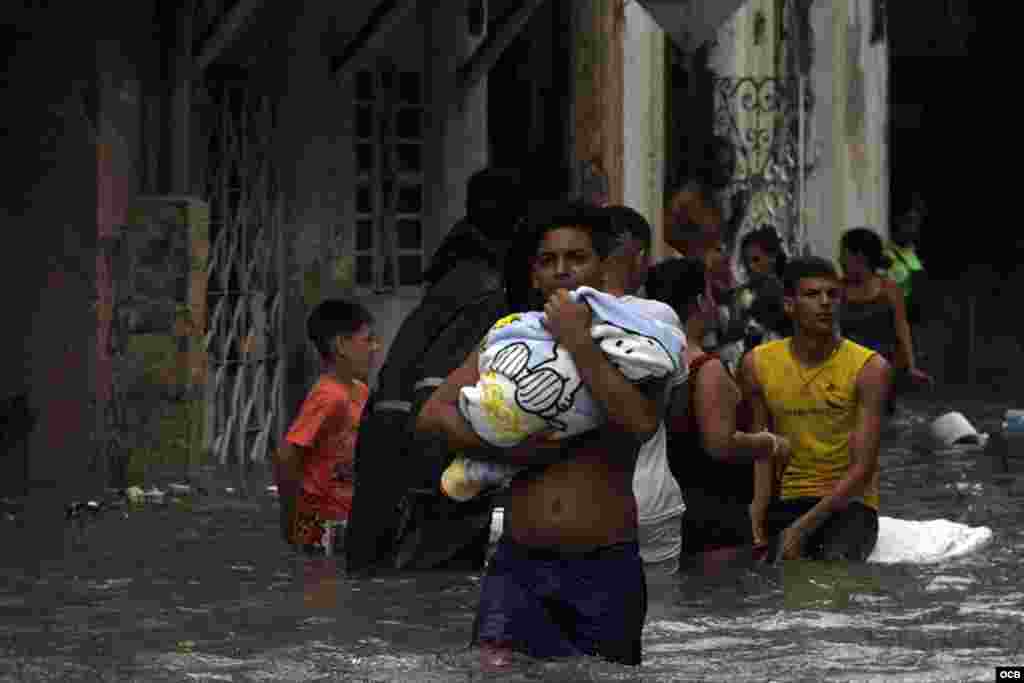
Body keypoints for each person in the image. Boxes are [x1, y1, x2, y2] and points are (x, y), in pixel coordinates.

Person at [416, 201, 670, 666]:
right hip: (519, 564)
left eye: (576, 259)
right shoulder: (508, 340)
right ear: (534, 275)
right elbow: (433, 415)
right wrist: (509, 448)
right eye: (548, 261)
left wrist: (576, 339)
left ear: (603, 267)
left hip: (604, 566)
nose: (562, 271)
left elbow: (640, 422)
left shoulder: (638, 345)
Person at [344, 167, 526, 574]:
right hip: (426, 457)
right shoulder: (487, 288)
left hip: (390, 447)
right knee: (427, 587)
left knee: (379, 581)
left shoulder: (455, 271)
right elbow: (444, 396)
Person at [743, 256, 892, 562]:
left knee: (831, 569)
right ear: (789, 305)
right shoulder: (756, 364)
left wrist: (800, 530)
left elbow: (863, 469)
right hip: (788, 498)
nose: (825, 303)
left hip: (849, 505)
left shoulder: (870, 367)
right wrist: (756, 524)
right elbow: (761, 453)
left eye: (832, 294)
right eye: (812, 295)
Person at [650, 258, 790, 560]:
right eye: (712, 296)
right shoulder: (705, 369)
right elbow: (720, 444)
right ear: (701, 302)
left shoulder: (644, 363)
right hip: (712, 518)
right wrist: (772, 443)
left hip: (659, 512)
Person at [273, 299, 380, 555]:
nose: (375, 348)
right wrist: (291, 519)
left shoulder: (360, 391)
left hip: (346, 519)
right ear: (341, 345)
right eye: (367, 340)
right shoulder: (329, 396)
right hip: (320, 526)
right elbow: (286, 455)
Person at [839, 227, 933, 390]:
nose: (839, 260)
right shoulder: (837, 290)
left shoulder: (889, 289)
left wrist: (911, 367)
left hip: (882, 373)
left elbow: (902, 329)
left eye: (844, 254)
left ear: (859, 257)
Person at [885, 195, 927, 325]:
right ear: (898, 221)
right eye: (909, 222)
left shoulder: (916, 254)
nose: (912, 228)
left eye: (916, 223)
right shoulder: (886, 253)